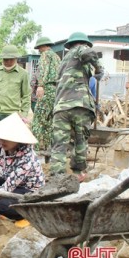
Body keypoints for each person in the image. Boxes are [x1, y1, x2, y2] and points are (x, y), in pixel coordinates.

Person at [50, 32, 105, 182]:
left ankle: (57, 177)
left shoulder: (64, 61)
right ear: (82, 43)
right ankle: (78, 174)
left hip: (61, 107)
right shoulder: (81, 49)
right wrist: (99, 70)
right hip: (79, 105)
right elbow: (89, 52)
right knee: (81, 141)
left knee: (59, 144)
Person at [31, 37, 61, 162]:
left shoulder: (45, 56)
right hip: (56, 91)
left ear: (42, 47)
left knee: (38, 121)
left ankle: (37, 152)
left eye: (39, 48)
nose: (38, 51)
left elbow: (43, 71)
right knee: (49, 122)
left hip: (47, 89)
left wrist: (41, 85)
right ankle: (48, 150)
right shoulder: (57, 57)